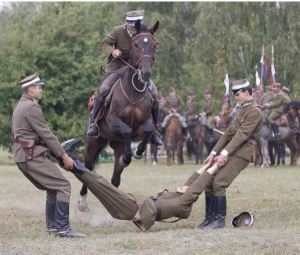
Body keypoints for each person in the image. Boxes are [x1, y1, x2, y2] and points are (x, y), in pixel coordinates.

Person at [65, 145, 220, 231]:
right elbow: (194, 179)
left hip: (132, 209)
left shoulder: (183, 202)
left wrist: (215, 168)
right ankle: (71, 163)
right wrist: (208, 164)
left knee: (100, 184)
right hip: (134, 204)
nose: (182, 186)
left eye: (186, 188)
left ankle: (72, 160)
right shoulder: (180, 196)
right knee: (98, 186)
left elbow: (197, 186)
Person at [11, 73, 85, 238]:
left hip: (25, 155)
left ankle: (53, 228)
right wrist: (64, 156)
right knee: (63, 186)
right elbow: (47, 135)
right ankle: (63, 229)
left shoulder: (21, 105)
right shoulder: (31, 107)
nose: (41, 89)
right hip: (31, 156)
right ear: (30, 90)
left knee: (53, 187)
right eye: (39, 87)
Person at [87, 10, 162, 146]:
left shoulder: (144, 32)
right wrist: (112, 51)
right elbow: (104, 44)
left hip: (137, 70)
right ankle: (94, 122)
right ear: (127, 23)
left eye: (137, 25)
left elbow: (153, 45)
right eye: (132, 25)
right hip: (117, 68)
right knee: (103, 88)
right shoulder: (117, 31)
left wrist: (150, 51)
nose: (134, 28)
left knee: (155, 94)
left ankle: (155, 131)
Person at [197, 79, 263, 229]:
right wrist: (214, 152)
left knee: (219, 182)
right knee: (208, 181)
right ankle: (210, 218)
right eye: (234, 94)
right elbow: (228, 133)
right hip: (232, 150)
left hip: (243, 152)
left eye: (237, 94)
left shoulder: (255, 111)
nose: (235, 97)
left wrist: (225, 153)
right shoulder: (242, 109)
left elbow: (242, 135)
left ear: (247, 92)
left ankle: (219, 221)